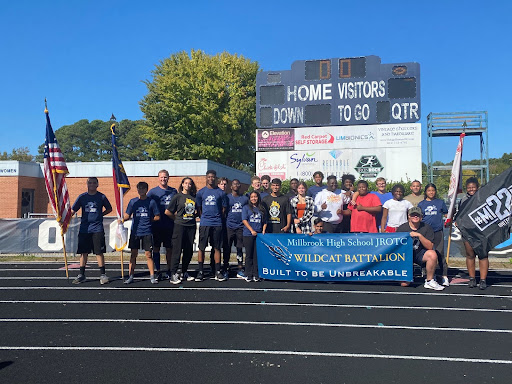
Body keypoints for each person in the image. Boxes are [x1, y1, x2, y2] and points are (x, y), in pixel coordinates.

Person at [71, 177, 112, 285]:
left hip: (97, 228)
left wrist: (100, 215)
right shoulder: (82, 197)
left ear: (97, 184)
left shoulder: (101, 197)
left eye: (94, 183)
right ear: (87, 184)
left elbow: (109, 208)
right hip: (85, 229)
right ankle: (81, 274)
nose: (92, 185)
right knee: (83, 252)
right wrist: (64, 218)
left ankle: (103, 274)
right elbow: (73, 209)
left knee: (99, 252)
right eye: (90, 183)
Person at [397, 207, 445, 291]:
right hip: (406, 255)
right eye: (413, 215)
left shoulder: (427, 227)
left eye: (417, 215)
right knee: (404, 284)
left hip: (420, 253)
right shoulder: (402, 228)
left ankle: (429, 281)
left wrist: (419, 235)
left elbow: (430, 247)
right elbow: (397, 246)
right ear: (409, 216)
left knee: (432, 254)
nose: (415, 217)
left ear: (421, 217)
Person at [123, 182, 160, 284]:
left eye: (143, 189)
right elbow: (127, 215)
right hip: (135, 232)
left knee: (148, 255)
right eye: (139, 188)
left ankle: (152, 276)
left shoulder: (151, 202)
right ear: (137, 189)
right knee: (133, 254)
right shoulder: (133, 202)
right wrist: (121, 220)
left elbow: (157, 216)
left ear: (146, 190)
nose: (141, 190)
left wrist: (150, 219)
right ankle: (131, 276)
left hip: (147, 231)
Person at [456, 177, 489, 289]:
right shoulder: (463, 200)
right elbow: (458, 216)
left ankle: (483, 280)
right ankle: (472, 278)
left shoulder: (483, 198)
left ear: (477, 187)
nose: (471, 189)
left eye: (473, 187)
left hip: (481, 232)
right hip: (468, 232)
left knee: (483, 255)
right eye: (469, 187)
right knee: (470, 255)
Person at [195, 170, 228, 282]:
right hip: (205, 223)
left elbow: (224, 208)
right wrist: (204, 217)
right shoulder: (201, 192)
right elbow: (199, 208)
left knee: (217, 247)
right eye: (209, 177)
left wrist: (217, 216)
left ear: (215, 178)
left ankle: (217, 271)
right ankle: (200, 271)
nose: (211, 179)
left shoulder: (221, 193)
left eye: (213, 177)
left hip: (217, 223)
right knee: (201, 248)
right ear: (206, 178)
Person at [165, 177, 197, 284]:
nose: (188, 185)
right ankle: (173, 273)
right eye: (186, 183)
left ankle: (184, 272)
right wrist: (177, 219)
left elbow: (197, 211)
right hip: (179, 226)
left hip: (191, 226)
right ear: (182, 184)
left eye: (190, 184)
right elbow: (168, 212)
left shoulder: (194, 197)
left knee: (188, 251)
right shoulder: (177, 197)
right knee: (177, 250)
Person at [147, 169, 177, 280]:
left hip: (170, 225)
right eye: (161, 177)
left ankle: (169, 270)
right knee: (156, 248)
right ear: (158, 178)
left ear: (168, 178)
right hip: (157, 225)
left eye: (165, 177)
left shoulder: (173, 191)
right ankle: (158, 270)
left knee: (169, 249)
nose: (163, 179)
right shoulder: (152, 192)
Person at [418, 183, 449, 286]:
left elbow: (446, 214)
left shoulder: (440, 202)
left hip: (438, 231)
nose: (431, 192)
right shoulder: (421, 204)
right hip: (426, 232)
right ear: (426, 192)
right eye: (429, 191)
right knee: (427, 254)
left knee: (440, 253)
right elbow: (419, 218)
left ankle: (444, 276)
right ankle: (430, 275)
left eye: (433, 190)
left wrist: (450, 217)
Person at [225, 179, 249, 278]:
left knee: (239, 248)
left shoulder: (244, 199)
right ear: (231, 186)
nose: (236, 185)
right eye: (234, 184)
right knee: (227, 248)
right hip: (229, 226)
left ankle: (240, 268)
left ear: (240, 186)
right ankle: (225, 267)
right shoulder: (227, 198)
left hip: (240, 227)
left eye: (238, 184)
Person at [242, 191, 267, 282]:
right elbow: (244, 220)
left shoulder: (262, 208)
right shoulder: (246, 208)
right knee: (249, 255)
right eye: (252, 197)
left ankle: (256, 274)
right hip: (248, 234)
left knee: (256, 255)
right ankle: (248, 274)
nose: (253, 198)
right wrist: (251, 230)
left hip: (258, 235)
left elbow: (265, 221)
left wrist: (263, 230)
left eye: (255, 197)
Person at [210, 177, 230, 276]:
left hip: (227, 225)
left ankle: (225, 267)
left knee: (225, 246)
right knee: (215, 246)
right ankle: (213, 266)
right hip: (216, 223)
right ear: (218, 185)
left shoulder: (228, 196)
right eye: (221, 184)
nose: (223, 186)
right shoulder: (215, 194)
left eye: (225, 184)